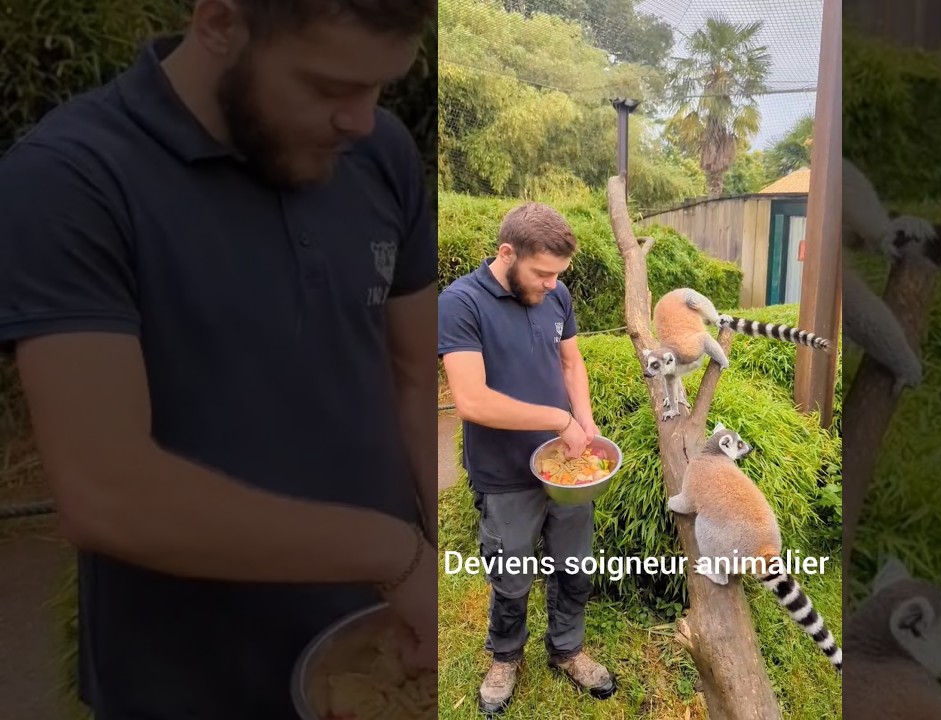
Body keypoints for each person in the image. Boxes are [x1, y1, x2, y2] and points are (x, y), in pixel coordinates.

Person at [0, 1, 438, 717]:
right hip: (187, 679)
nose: (360, 119)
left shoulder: (380, 152)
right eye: (328, 87)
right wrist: (396, 554)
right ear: (219, 23)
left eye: (380, 85)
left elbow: (415, 376)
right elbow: (106, 490)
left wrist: (438, 569)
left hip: (386, 649)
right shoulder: (69, 180)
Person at [438, 202, 618, 714]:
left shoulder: (556, 293)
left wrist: (582, 418)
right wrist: (557, 420)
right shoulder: (461, 303)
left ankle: (568, 650)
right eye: (542, 273)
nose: (552, 285)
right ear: (506, 253)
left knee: (574, 566)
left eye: (559, 274)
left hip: (568, 469)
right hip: (504, 473)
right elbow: (471, 400)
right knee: (511, 573)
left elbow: (571, 360)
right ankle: (505, 657)